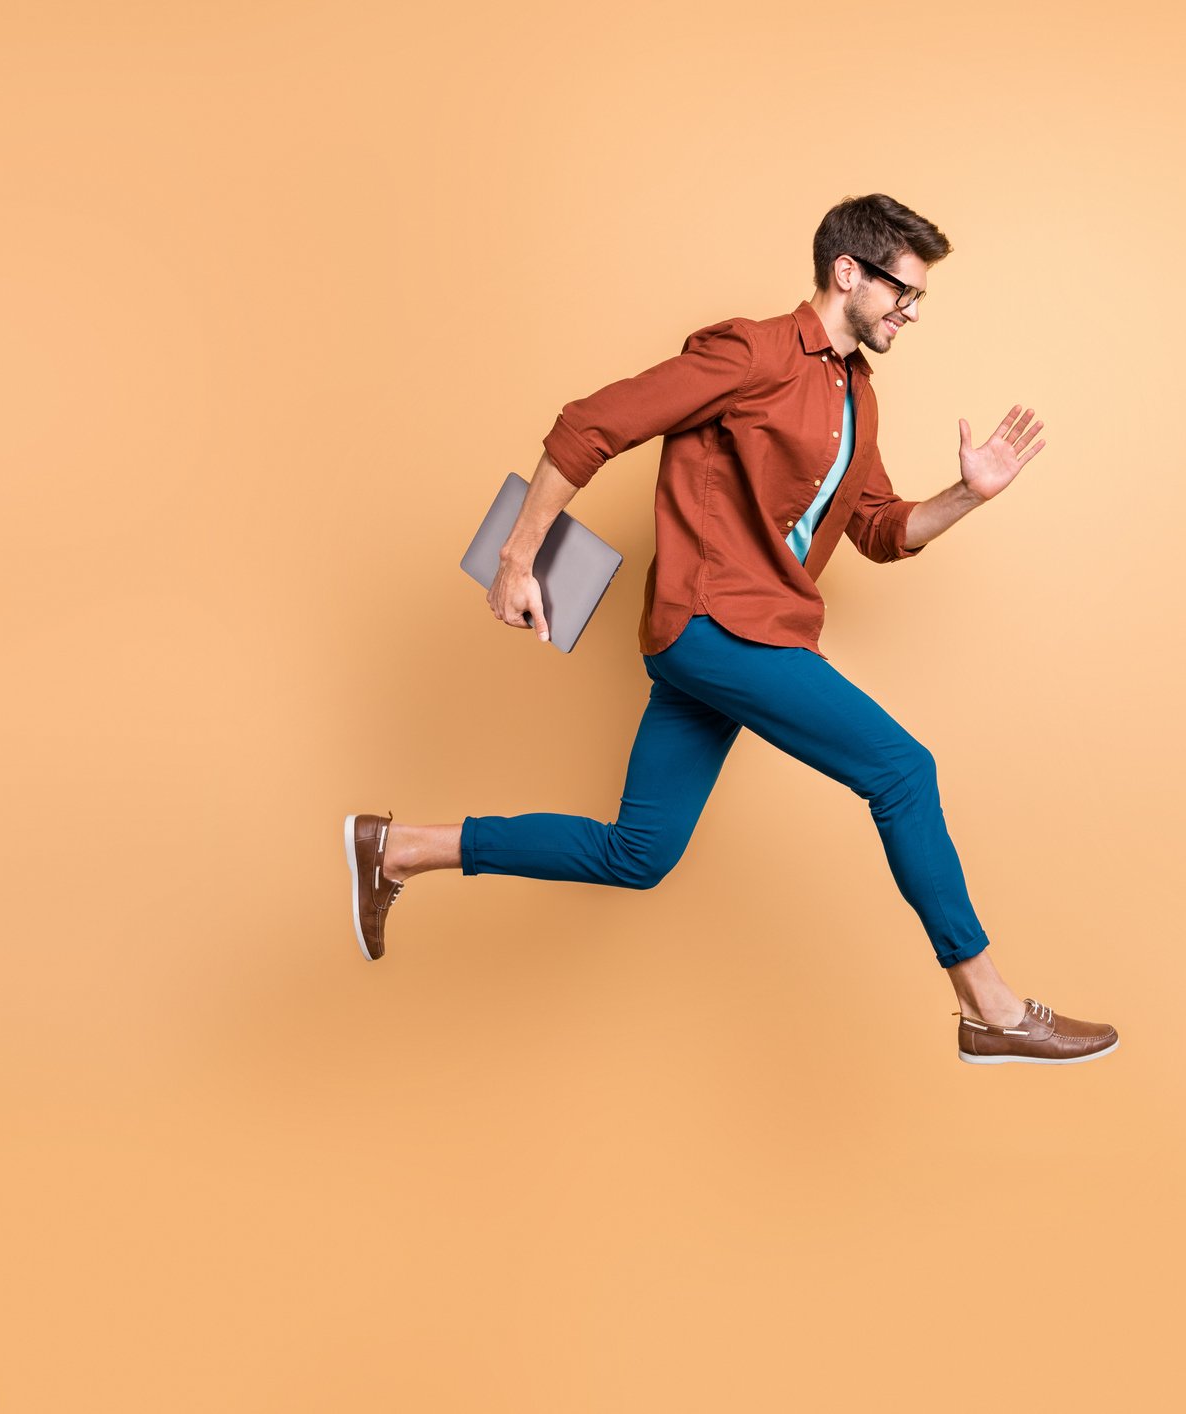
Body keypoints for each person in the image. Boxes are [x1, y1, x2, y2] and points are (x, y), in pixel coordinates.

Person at [343, 193, 1118, 1066]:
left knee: (638, 853)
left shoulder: (856, 391)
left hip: (729, 640)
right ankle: (991, 1008)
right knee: (902, 770)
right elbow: (589, 426)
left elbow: (877, 530)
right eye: (904, 291)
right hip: (716, 624)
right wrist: (517, 561)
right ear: (847, 273)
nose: (910, 310)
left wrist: (965, 496)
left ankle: (399, 849)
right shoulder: (749, 351)